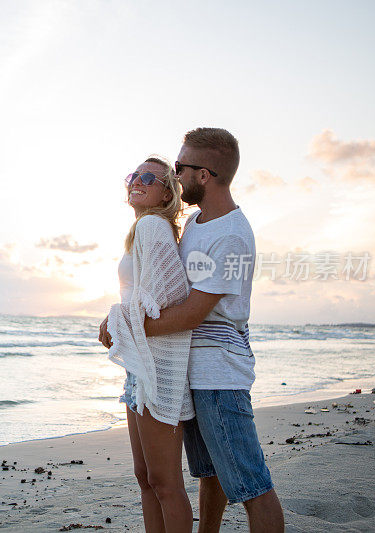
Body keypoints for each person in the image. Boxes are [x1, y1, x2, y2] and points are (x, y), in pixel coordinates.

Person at [143, 128, 285, 533]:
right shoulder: (196, 223)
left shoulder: (232, 234)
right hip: (194, 370)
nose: (176, 175)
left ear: (204, 174)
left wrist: (131, 327)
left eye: (180, 167)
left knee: (252, 484)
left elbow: (191, 313)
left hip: (219, 373)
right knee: (210, 474)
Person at [98, 156, 194, 533]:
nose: (137, 180)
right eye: (133, 175)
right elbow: (145, 296)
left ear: (167, 191)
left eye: (149, 177)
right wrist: (119, 316)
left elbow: (171, 295)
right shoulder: (144, 229)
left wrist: (116, 318)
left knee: (165, 483)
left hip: (157, 369)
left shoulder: (153, 226)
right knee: (146, 478)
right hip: (142, 367)